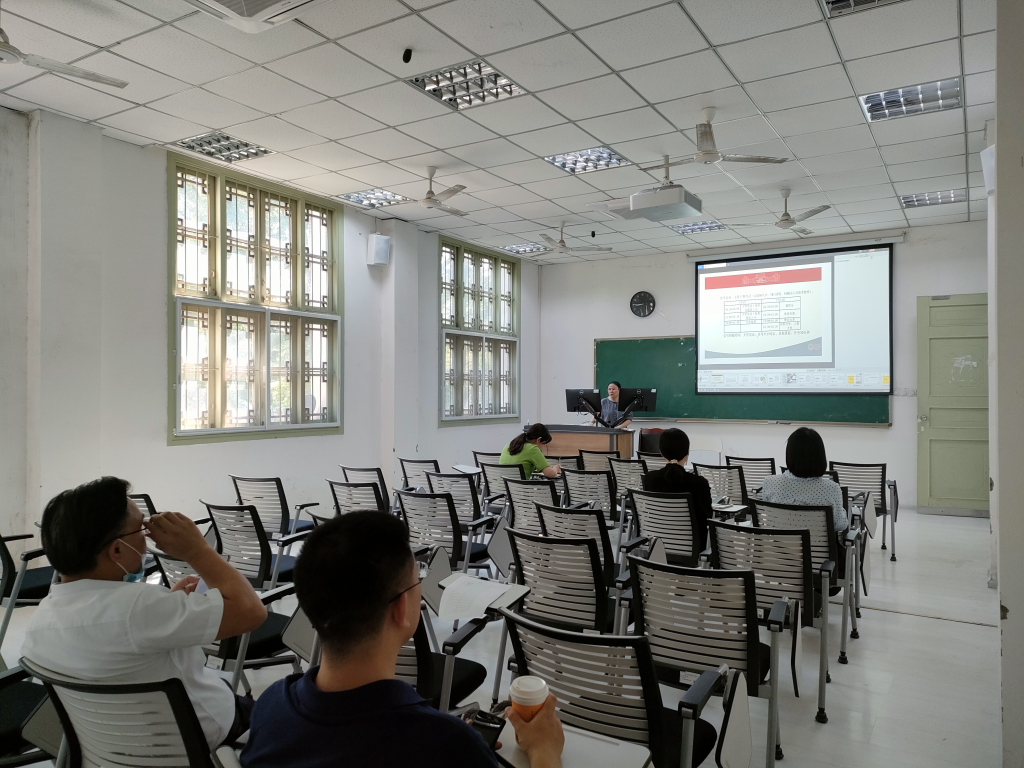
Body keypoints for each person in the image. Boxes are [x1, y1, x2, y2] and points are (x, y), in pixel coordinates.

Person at [241, 511, 565, 768]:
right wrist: (544, 751)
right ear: (400, 609)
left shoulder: (270, 707)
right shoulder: (444, 745)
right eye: (417, 580)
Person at [21, 477, 268, 748]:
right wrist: (197, 549)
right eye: (141, 528)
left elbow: (122, 635)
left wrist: (170, 604)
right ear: (117, 549)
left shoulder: (41, 621)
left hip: (111, 746)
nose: (148, 537)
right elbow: (251, 612)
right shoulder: (140, 607)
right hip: (198, 735)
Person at [762, 427, 848, 535]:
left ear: (790, 454)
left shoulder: (769, 482)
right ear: (820, 456)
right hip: (816, 546)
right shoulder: (831, 488)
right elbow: (839, 525)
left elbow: (768, 518)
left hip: (779, 545)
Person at [641, 428, 714, 550]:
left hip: (657, 548)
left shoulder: (649, 479)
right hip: (692, 549)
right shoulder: (699, 483)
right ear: (687, 455)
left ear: (662, 454)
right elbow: (707, 516)